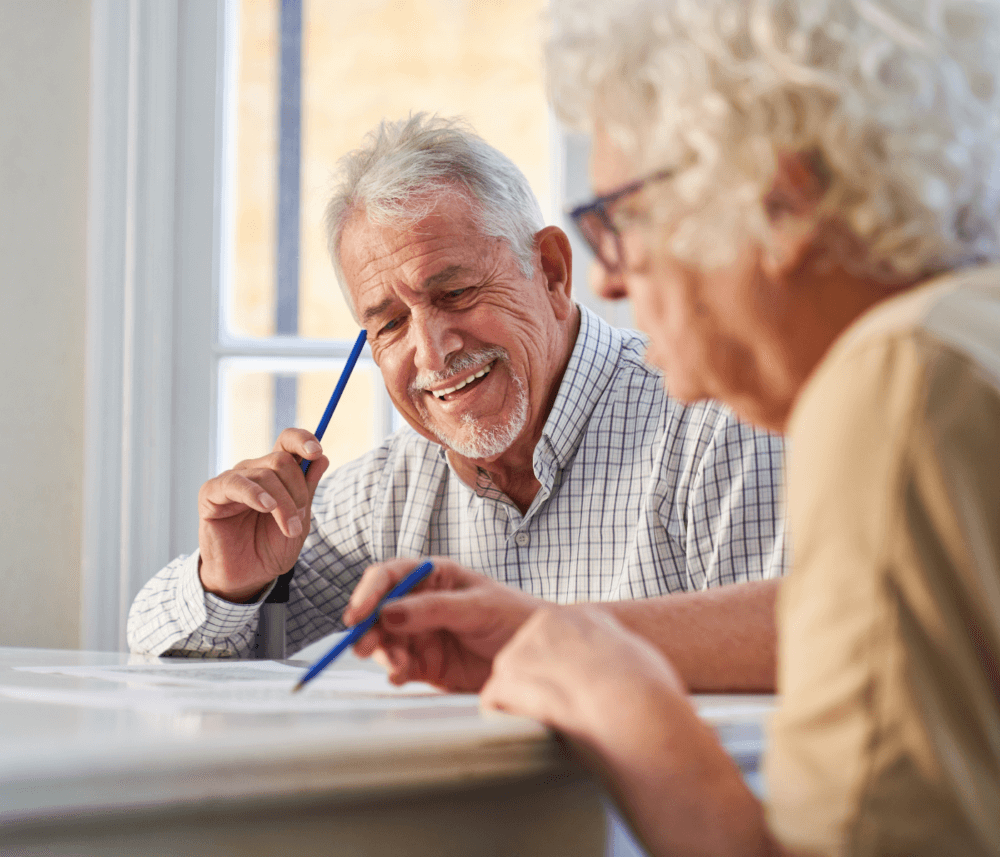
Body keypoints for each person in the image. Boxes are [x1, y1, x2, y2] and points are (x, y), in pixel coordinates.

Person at [460, 0, 1000, 854]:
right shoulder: (967, 339)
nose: (607, 283)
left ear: (779, 201)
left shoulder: (895, 379)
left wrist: (622, 706)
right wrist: (567, 632)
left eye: (620, 220)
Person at [127, 114, 787, 694]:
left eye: (455, 294)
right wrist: (230, 582)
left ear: (552, 272)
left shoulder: (717, 427)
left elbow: (799, 664)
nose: (432, 352)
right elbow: (157, 649)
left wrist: (541, 637)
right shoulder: (390, 490)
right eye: (390, 324)